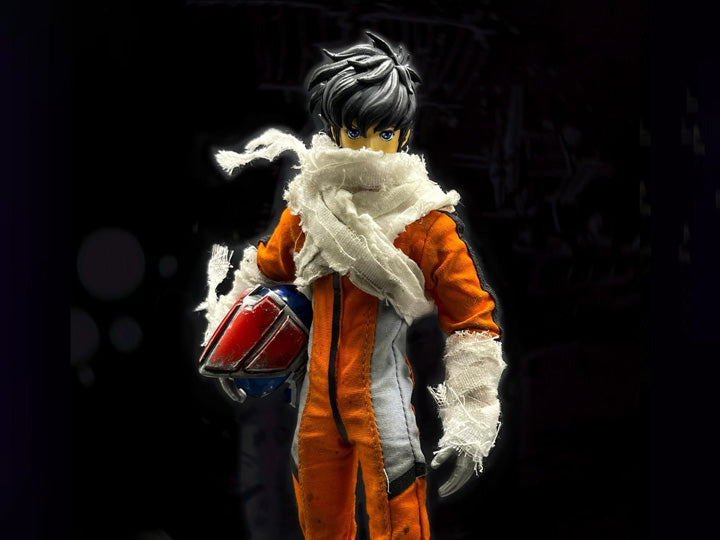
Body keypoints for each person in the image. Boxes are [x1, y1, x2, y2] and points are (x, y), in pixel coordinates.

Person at [198, 31, 505, 540]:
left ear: (403, 136)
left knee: (399, 519)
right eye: (356, 130)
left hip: (382, 402)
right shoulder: (309, 208)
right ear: (335, 129)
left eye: (383, 133)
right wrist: (230, 345)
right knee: (318, 519)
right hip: (314, 406)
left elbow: (472, 323)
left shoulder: (424, 223)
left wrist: (471, 419)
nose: (367, 147)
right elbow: (264, 273)